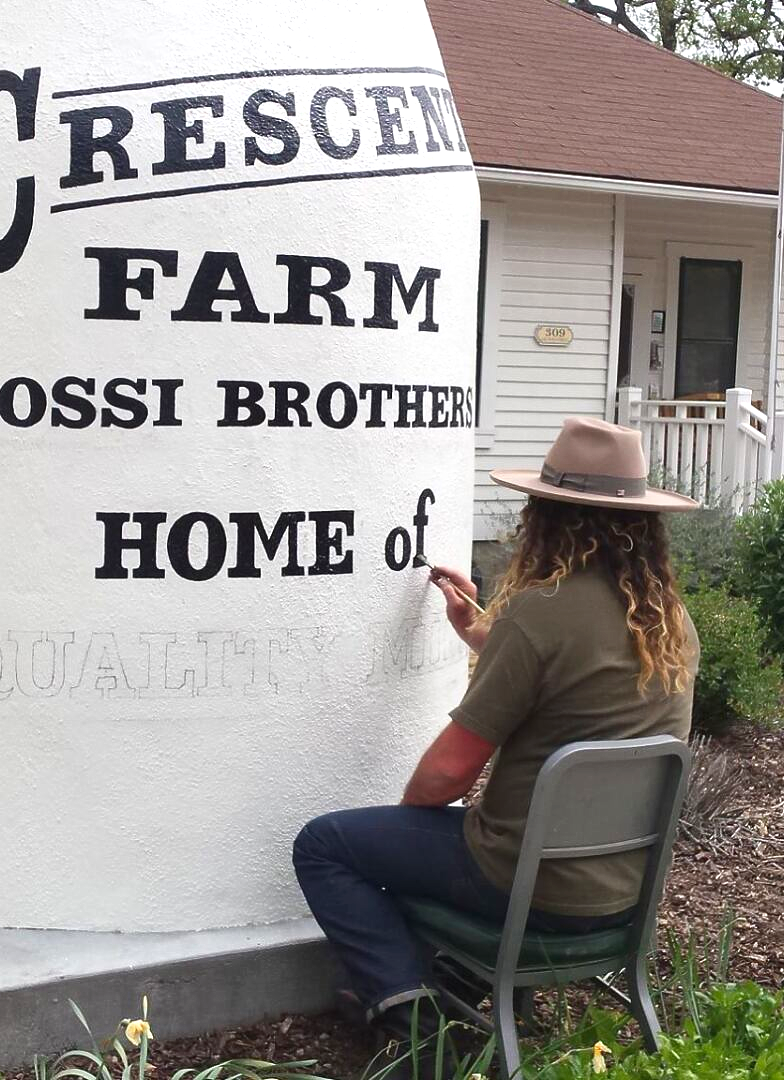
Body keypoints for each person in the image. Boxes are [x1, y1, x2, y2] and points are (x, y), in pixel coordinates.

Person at [292, 416, 700, 1043]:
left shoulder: (540, 614)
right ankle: (453, 982)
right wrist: (482, 633)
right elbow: (578, 675)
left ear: (548, 515)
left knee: (324, 845)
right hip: (623, 890)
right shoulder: (668, 622)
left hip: (525, 886)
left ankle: (414, 1024)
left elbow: (447, 775)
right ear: (645, 526)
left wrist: (412, 833)